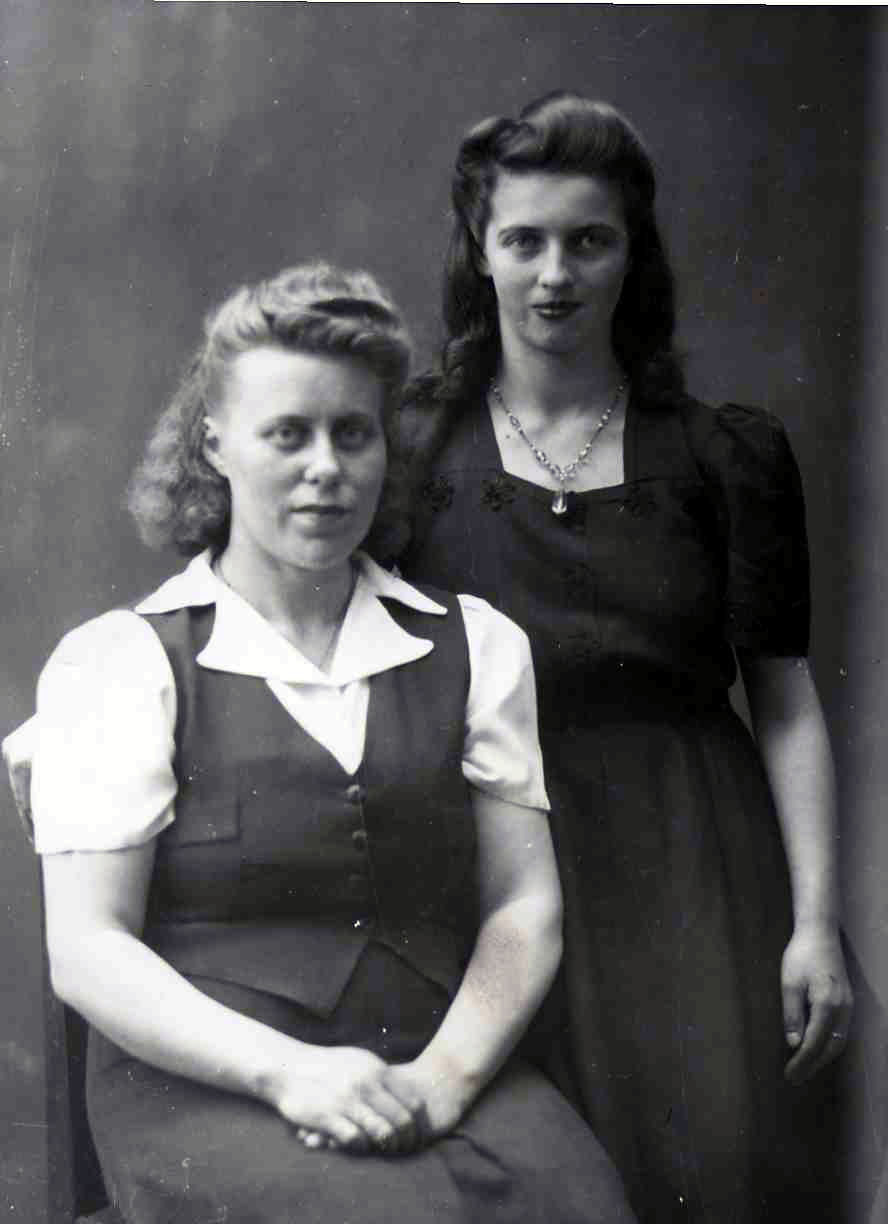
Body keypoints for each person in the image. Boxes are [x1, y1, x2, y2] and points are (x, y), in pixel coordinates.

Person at [5, 263, 638, 1223]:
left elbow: (522, 906)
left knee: (583, 1203)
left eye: (353, 433)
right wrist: (288, 1073)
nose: (326, 468)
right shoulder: (124, 661)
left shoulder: (474, 645)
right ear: (216, 445)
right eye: (287, 434)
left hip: (433, 1063)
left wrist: (443, 1081)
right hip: (211, 1084)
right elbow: (90, 949)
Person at [393, 92, 855, 1222]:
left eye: (589, 241)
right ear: (480, 252)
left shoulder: (721, 455)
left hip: (698, 874)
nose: (555, 275)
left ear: (632, 253)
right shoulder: (414, 450)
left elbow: (786, 704)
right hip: (490, 868)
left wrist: (814, 922)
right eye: (524, 241)